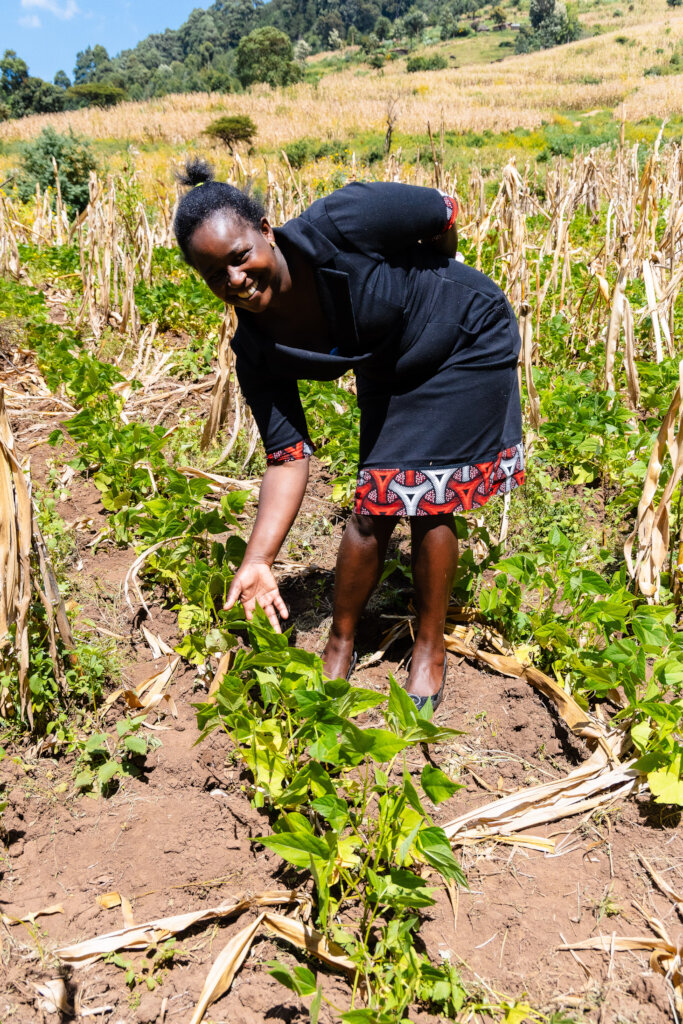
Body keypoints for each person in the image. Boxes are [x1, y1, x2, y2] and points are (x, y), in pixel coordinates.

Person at [173, 159, 524, 711]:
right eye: (216, 275)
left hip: (463, 334)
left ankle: (429, 646)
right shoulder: (256, 349)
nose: (235, 280)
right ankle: (341, 642)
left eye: (239, 257)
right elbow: (286, 457)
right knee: (372, 506)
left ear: (266, 230)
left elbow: (442, 211)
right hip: (389, 362)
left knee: (429, 500)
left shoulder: (345, 220)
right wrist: (259, 558)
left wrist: (439, 268)